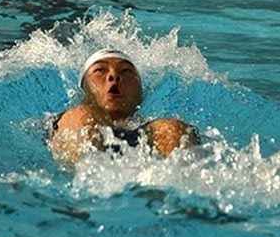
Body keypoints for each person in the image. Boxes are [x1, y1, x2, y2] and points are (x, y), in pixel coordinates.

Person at [49, 48, 199, 164]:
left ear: (140, 94)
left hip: (140, 142)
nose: (113, 75)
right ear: (83, 91)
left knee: (174, 130)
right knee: (83, 116)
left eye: (126, 71)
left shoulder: (155, 128)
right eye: (100, 70)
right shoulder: (69, 118)